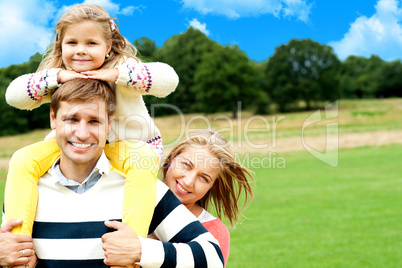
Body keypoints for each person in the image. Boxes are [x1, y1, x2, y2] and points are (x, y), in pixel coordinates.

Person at [1, 78, 223, 267]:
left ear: (109, 124)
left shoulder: (143, 188)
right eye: (71, 119)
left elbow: (213, 256)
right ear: (53, 118)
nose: (82, 133)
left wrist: (142, 251)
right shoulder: (28, 190)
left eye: (95, 121)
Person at [4, 3, 179, 239]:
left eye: (91, 43)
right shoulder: (58, 75)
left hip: (127, 146)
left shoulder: (122, 69)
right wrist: (56, 77)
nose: (81, 51)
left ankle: (131, 241)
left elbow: (169, 80)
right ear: (61, 45)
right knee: (22, 159)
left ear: (107, 47)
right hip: (71, 146)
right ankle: (17, 240)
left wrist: (118, 75)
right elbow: (13, 96)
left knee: (143, 160)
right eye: (72, 43)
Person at [159, 129, 255, 266]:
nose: (188, 182)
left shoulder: (214, 233)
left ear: (213, 186)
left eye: (204, 178)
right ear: (171, 158)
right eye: (186, 165)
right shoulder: (128, 200)